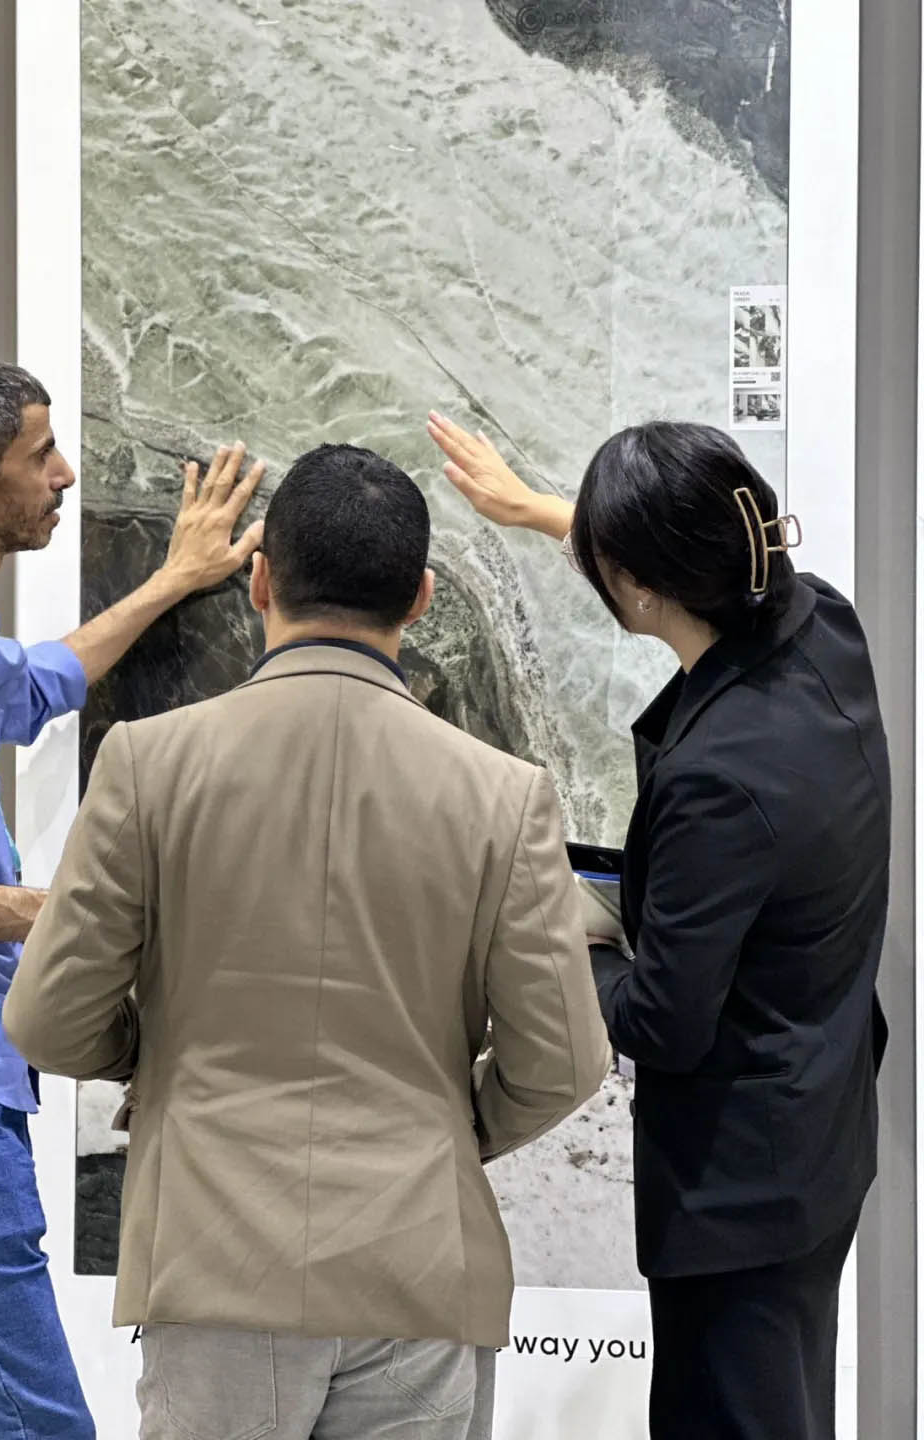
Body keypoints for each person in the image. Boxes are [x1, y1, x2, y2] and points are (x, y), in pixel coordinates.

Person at [3, 442, 611, 1440]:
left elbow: (47, 1019)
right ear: (419, 600)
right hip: (420, 1264)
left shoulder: (150, 764)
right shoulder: (506, 795)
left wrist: (163, 1061)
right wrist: (445, 1131)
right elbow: (563, 1064)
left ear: (259, 581)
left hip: (214, 1257)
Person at [428, 413, 890, 1440]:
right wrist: (539, 512)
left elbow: (663, 1023)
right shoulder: (823, 622)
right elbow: (690, 566)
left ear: (638, 586)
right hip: (821, 1122)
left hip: (741, 1191)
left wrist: (576, 941)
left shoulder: (718, 778)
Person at [0, 354, 266, 1440]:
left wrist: (173, 579)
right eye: (41, 454)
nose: (66, 473)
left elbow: (33, 686)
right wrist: (58, 911)